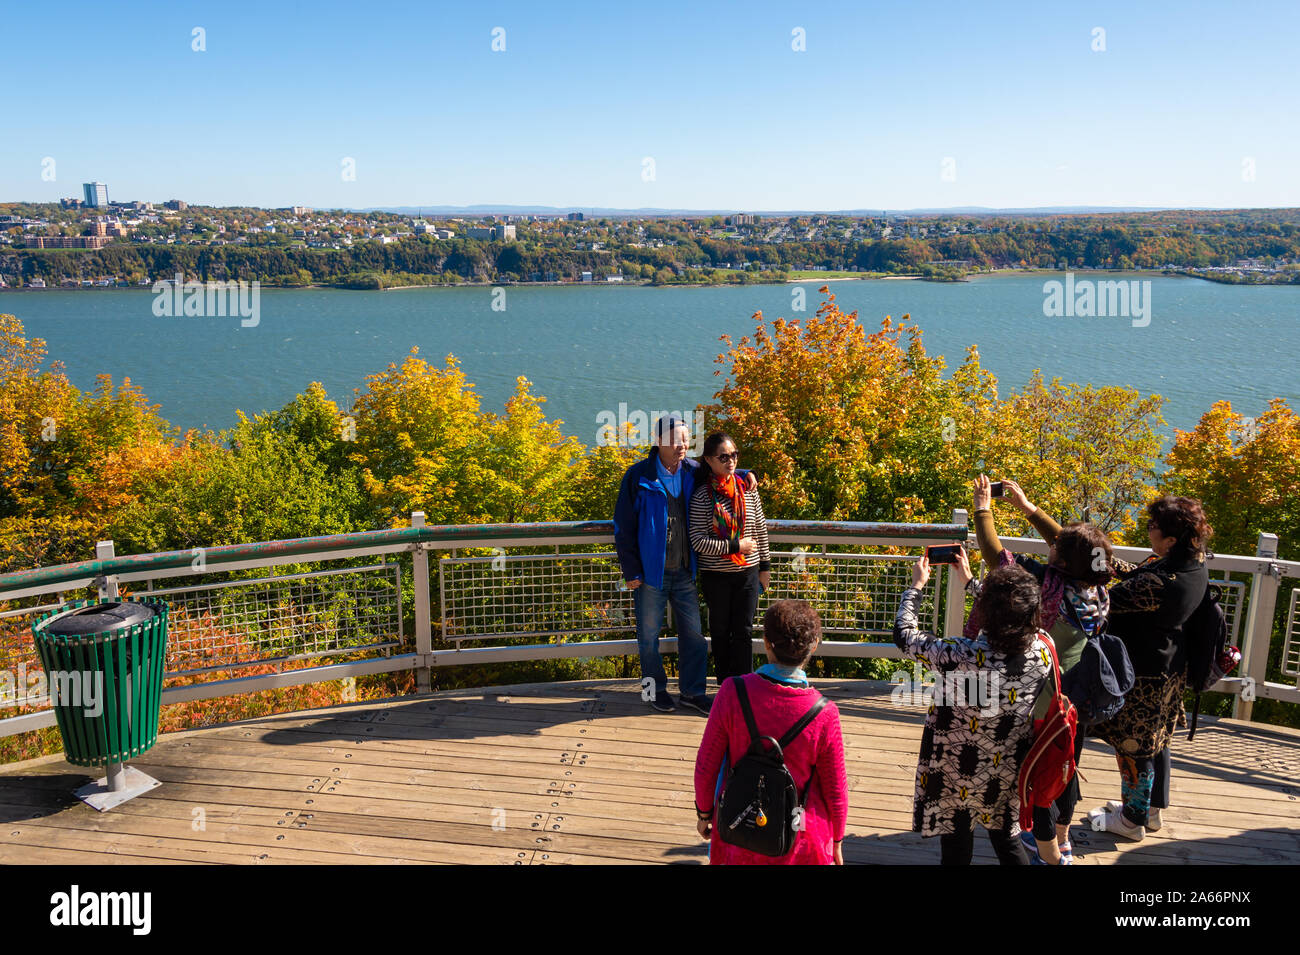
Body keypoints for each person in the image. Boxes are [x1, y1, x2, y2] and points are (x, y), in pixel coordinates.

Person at [971, 475, 1114, 865]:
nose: (1052, 548)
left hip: (1042, 699)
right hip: (1078, 693)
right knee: (1065, 764)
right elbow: (1077, 549)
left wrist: (984, 508)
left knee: (1038, 771)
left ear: (1062, 561)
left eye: (1057, 549)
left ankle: (1048, 852)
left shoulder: (1049, 583)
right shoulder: (1099, 584)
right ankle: (1064, 839)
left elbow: (996, 557)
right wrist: (1027, 508)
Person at [893, 550, 1050, 865]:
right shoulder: (1044, 648)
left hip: (957, 766)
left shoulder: (961, 654)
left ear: (989, 612)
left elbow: (905, 636)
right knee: (1006, 837)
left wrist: (916, 587)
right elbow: (1013, 613)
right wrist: (969, 582)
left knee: (957, 844)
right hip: (1008, 762)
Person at [1087, 495, 1212, 841]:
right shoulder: (1194, 563)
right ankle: (1150, 812)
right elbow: (1141, 573)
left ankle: (1130, 822)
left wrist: (1086, 564)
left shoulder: (1160, 584)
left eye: (1154, 526)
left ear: (1171, 539)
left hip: (1143, 674)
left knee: (1134, 748)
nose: (1148, 529)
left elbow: (1109, 599)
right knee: (1157, 741)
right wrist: (1105, 557)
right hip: (1170, 667)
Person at [613, 415, 755, 714]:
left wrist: (746, 473)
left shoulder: (692, 470)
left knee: (694, 636)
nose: (684, 445)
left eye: (686, 439)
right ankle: (654, 691)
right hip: (650, 574)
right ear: (659, 441)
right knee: (648, 638)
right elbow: (623, 526)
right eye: (677, 440)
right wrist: (631, 569)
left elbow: (722, 466)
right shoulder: (638, 476)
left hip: (685, 571)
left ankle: (693, 692)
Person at [693, 599, 847, 864]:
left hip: (739, 832)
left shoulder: (732, 692)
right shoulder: (825, 712)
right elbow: (836, 789)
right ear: (813, 647)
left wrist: (705, 815)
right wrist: (838, 840)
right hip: (798, 840)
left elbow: (706, 765)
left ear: (765, 642)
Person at [689, 432, 771, 685]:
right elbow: (698, 541)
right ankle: (726, 686)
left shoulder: (747, 488)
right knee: (721, 633)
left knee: (744, 632)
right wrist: (736, 545)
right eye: (723, 457)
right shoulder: (702, 496)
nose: (730, 461)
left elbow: (759, 529)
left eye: (734, 455)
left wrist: (765, 566)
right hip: (716, 576)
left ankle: (745, 685)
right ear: (709, 461)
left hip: (747, 572)